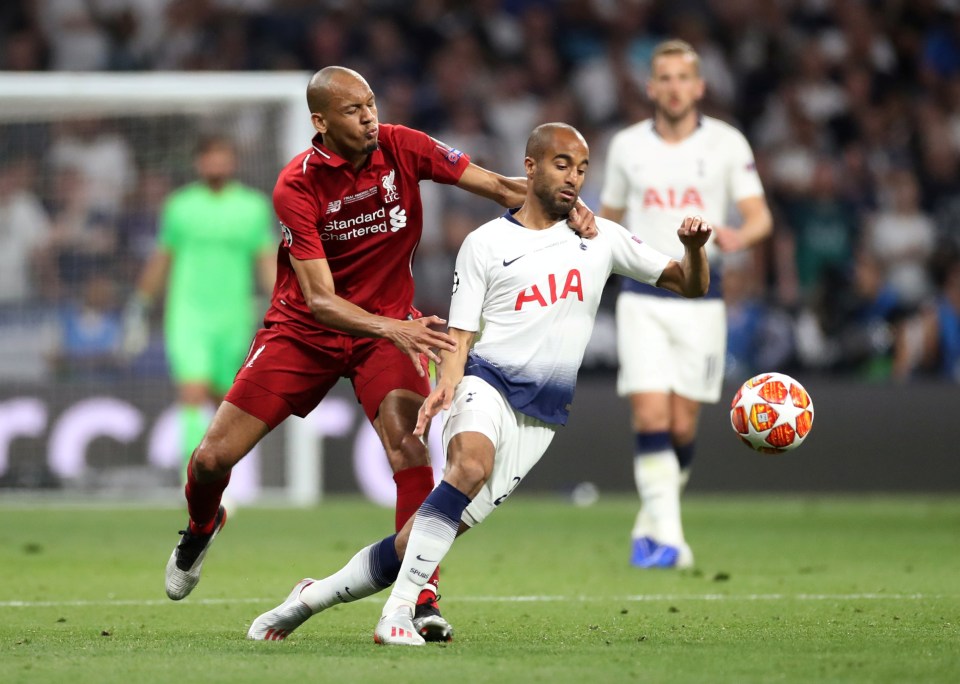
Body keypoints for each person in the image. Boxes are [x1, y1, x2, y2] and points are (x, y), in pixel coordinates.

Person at [162, 67, 596, 643]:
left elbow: (499, 186)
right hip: (304, 333)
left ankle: (420, 595)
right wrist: (396, 329)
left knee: (409, 446)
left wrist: (570, 212)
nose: (369, 117)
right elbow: (319, 300)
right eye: (353, 110)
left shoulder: (401, 146)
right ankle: (200, 525)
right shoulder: (297, 185)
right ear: (320, 122)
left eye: (371, 104)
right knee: (213, 458)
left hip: (387, 335)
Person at [245, 122, 711, 646]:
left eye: (581, 168)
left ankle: (311, 596)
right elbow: (461, 336)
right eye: (562, 164)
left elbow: (689, 284)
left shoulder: (601, 239)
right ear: (530, 167)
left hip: (542, 414)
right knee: (469, 465)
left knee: (415, 539)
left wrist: (693, 249)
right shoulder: (485, 244)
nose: (574, 178)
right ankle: (398, 613)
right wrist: (447, 385)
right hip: (485, 384)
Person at [598, 39, 773, 569]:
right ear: (651, 88)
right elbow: (607, 216)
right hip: (643, 294)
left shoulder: (726, 143)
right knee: (650, 413)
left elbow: (759, 215)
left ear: (699, 87)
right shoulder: (628, 146)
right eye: (664, 78)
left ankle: (651, 526)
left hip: (704, 297)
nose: (674, 87)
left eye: (683, 78)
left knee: (682, 426)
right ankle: (672, 540)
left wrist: (742, 237)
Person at [123, 136, 276, 487]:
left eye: (222, 157)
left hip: (233, 315)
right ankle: (190, 477)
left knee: (224, 397)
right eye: (210, 157)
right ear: (199, 163)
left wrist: (281, 305)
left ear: (233, 162)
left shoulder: (252, 207)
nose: (216, 164)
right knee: (192, 390)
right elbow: (163, 257)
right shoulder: (180, 206)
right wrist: (140, 304)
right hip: (188, 314)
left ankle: (223, 474)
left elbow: (266, 260)